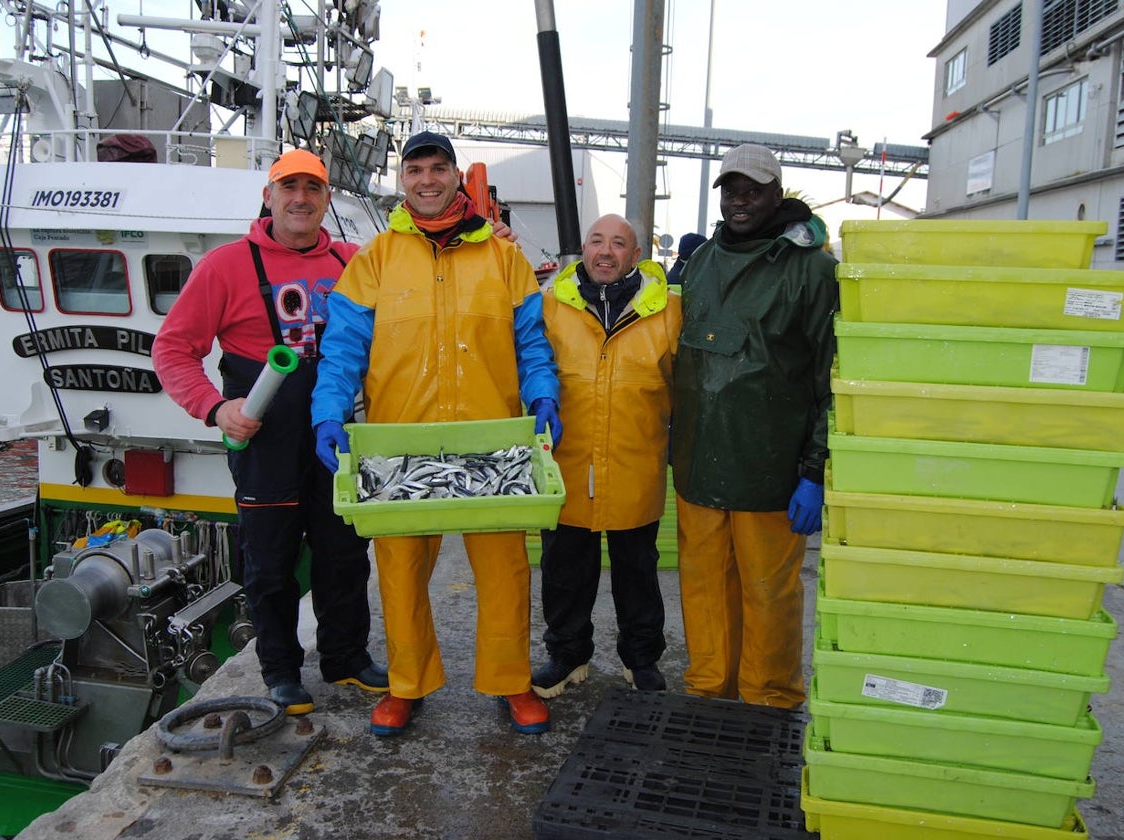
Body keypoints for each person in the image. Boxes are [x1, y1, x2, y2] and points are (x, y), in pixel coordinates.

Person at [310, 130, 562, 737]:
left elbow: (530, 341)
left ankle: (511, 682)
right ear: (404, 180)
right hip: (400, 441)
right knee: (399, 569)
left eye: (438, 168)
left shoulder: (504, 258)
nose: (427, 179)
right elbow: (342, 347)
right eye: (415, 169)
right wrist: (329, 410)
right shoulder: (375, 258)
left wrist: (544, 392)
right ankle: (407, 685)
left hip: (492, 438)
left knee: (504, 569)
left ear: (456, 176)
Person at [152, 148, 388, 715]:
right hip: (266, 439)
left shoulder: (356, 261)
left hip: (339, 433)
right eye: (289, 188)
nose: (300, 199)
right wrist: (215, 408)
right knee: (269, 562)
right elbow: (173, 349)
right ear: (269, 197)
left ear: (328, 199)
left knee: (345, 553)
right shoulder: (225, 266)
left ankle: (345, 658)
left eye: (313, 188)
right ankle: (281, 671)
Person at [671, 143, 837, 708]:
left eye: (754, 190)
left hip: (771, 472)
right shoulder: (700, 262)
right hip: (699, 466)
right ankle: (709, 690)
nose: (741, 201)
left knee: (768, 593)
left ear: (777, 192)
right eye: (732, 190)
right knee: (703, 587)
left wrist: (815, 469)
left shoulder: (812, 268)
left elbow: (830, 377)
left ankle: (769, 698)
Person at [531, 214, 681, 699]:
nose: (605, 251)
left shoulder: (667, 312)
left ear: (637, 256)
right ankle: (567, 654)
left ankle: (640, 660)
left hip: (635, 466)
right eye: (597, 241)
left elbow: (686, 387)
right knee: (563, 572)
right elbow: (529, 369)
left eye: (619, 244)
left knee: (638, 572)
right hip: (567, 466)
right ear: (583, 248)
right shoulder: (550, 307)